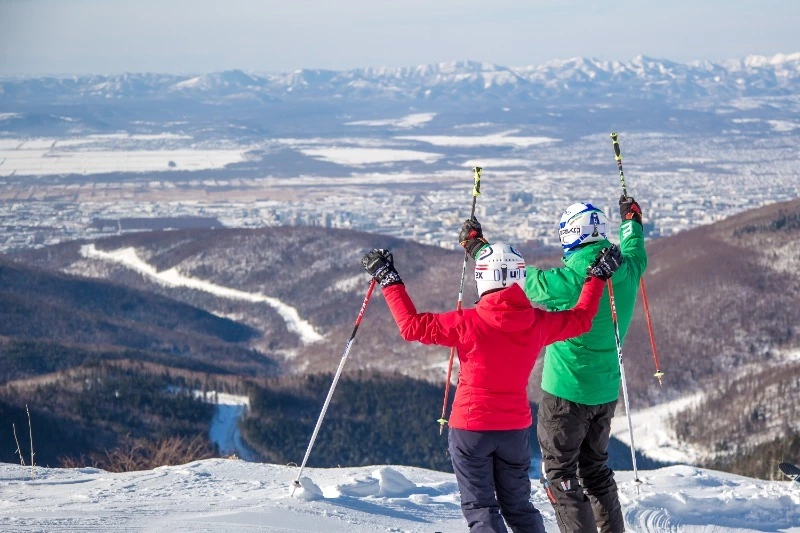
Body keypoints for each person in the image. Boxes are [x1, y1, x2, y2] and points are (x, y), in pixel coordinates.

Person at [361, 241, 623, 533]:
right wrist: (596, 278)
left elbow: (412, 326)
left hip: (471, 429)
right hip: (513, 431)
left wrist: (389, 280)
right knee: (519, 508)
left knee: (482, 508)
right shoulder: (536, 323)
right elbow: (582, 319)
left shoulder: (467, 323)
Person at [459, 196, 647, 533]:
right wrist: (631, 220)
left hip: (566, 392)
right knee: (597, 471)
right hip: (606, 390)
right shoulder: (628, 268)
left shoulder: (569, 281)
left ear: (571, 235)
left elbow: (515, 277)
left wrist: (478, 248)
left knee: (561, 475)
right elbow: (635, 249)